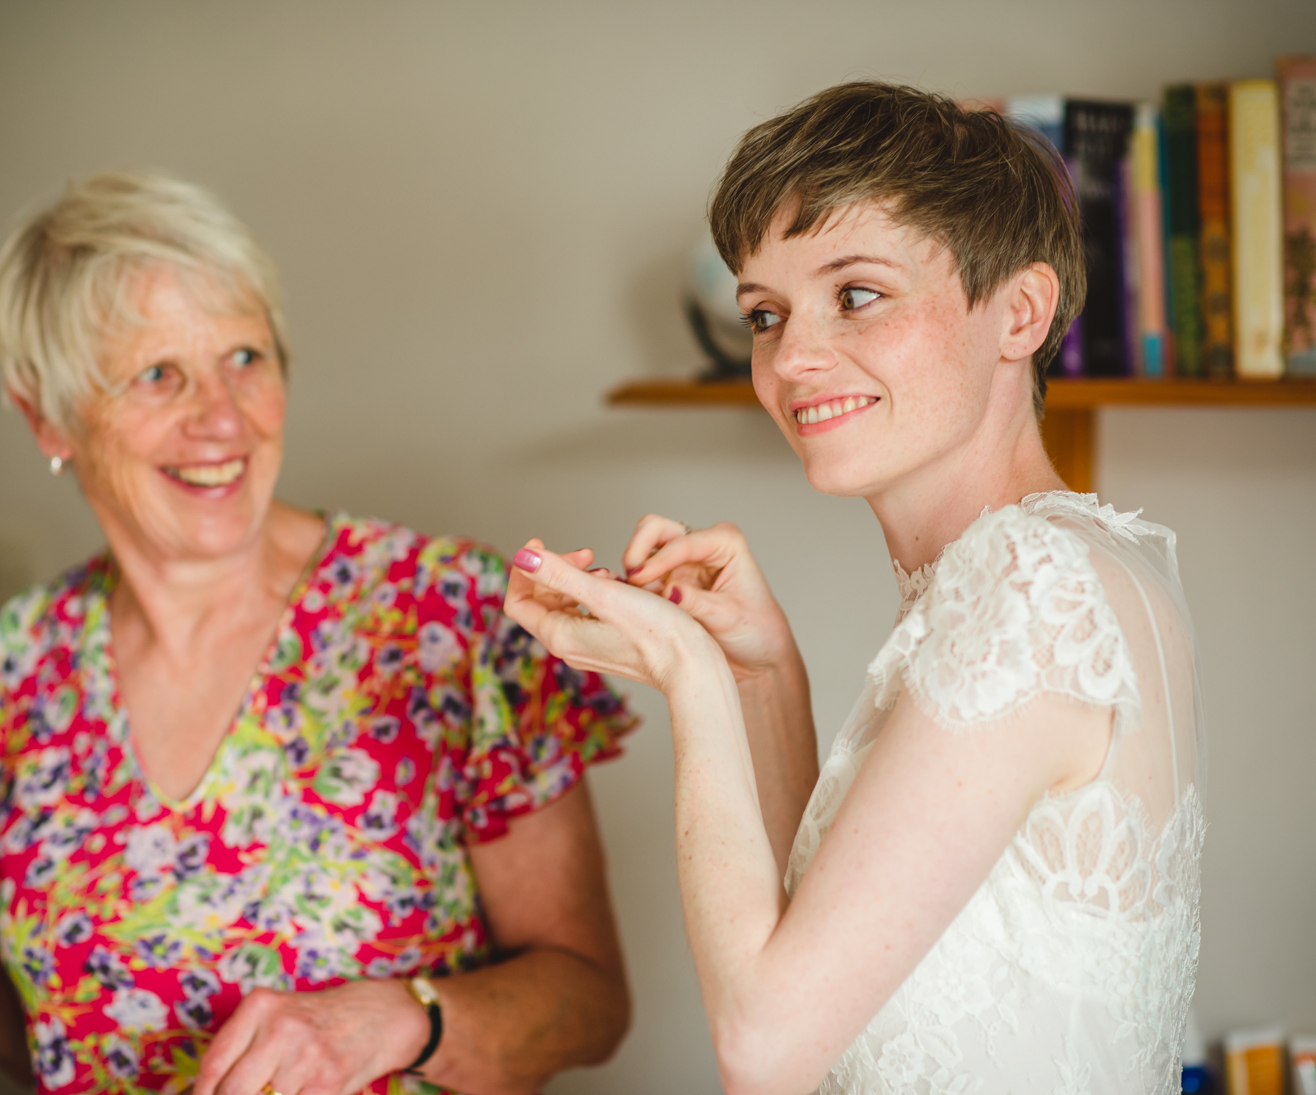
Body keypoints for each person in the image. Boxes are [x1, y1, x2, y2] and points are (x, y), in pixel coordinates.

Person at [0, 171, 637, 1095]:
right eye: (157, 374)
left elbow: (588, 1002)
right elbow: (30, 1019)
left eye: (246, 358)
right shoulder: (21, 660)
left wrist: (398, 1020)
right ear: (46, 415)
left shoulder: (447, 618)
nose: (222, 418)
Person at [505, 82, 1204, 1095]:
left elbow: (767, 1047)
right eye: (764, 313)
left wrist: (687, 674)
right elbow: (833, 958)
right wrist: (760, 673)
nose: (791, 356)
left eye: (857, 294)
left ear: (1018, 311)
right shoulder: (1066, 562)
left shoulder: (1027, 583)